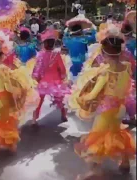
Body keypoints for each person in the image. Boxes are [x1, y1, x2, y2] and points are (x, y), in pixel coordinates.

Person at [70, 25, 136, 180]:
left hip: (106, 110)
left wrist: (81, 98)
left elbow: (92, 95)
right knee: (117, 133)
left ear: (104, 53)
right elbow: (128, 88)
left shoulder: (105, 72)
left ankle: (94, 171)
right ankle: (125, 162)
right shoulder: (126, 68)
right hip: (120, 108)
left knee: (96, 139)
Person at [32, 29, 70, 125]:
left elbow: (37, 68)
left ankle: (34, 119)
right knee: (60, 99)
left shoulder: (40, 54)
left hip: (43, 81)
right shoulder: (56, 55)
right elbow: (62, 68)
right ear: (53, 45)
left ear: (44, 44)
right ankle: (64, 115)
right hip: (55, 81)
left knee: (39, 101)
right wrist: (63, 77)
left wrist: (37, 78)